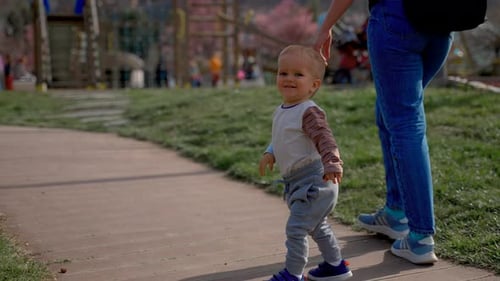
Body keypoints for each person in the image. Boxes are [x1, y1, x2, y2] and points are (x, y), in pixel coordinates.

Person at [314, 0, 452, 265]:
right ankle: (396, 211)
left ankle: (421, 238)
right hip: (442, 22)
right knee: (389, 109)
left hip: (396, 19)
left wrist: (325, 27)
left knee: (405, 122)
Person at [259, 45, 352, 281]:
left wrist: (332, 163)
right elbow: (283, 137)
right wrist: (270, 152)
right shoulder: (282, 110)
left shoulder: (308, 111)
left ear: (314, 85)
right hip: (300, 182)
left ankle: (293, 274)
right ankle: (336, 266)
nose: (289, 79)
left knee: (296, 229)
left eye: (298, 74)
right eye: (283, 73)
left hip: (317, 180)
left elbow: (325, 139)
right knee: (317, 226)